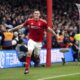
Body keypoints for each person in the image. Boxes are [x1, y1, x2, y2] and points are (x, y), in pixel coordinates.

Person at [8, 9, 56, 74]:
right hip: (31, 40)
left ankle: (36, 60)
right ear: (33, 14)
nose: (36, 14)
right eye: (35, 13)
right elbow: (21, 26)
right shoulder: (29, 21)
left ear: (39, 15)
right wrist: (12, 29)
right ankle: (26, 69)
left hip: (39, 42)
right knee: (29, 52)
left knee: (36, 55)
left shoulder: (43, 22)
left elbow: (48, 29)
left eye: (37, 13)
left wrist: (55, 35)